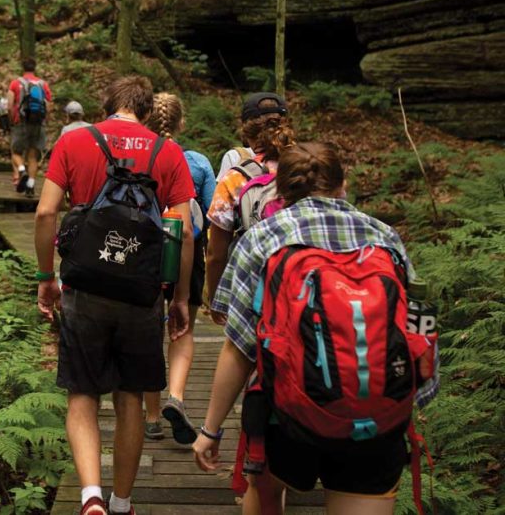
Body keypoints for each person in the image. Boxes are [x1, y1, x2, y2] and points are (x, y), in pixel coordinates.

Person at [193, 142, 438, 515]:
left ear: (280, 191)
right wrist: (412, 401)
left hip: (287, 418)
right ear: (344, 184)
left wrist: (210, 430)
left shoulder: (264, 238)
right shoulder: (384, 237)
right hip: (377, 417)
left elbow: (239, 349)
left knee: (266, 495)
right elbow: (417, 324)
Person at [34, 76, 196, 515]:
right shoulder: (169, 152)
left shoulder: (76, 141)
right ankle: (122, 502)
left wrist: (46, 274)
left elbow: (47, 210)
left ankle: (90, 497)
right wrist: (179, 297)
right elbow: (182, 232)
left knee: (82, 392)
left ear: (106, 104)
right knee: (130, 396)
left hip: (83, 285)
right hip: (142, 293)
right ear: (146, 112)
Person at [143, 93, 216, 444]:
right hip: (188, 252)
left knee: (149, 332)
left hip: (145, 255)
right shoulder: (198, 163)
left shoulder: (140, 157)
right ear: (181, 122)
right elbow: (212, 214)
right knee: (182, 328)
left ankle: (153, 416)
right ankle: (178, 396)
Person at [204, 93, 294, 324]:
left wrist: (216, 300)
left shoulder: (235, 178)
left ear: (246, 131)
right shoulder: (308, 169)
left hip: (253, 289)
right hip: (303, 282)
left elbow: (216, 254)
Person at [8, 59, 53, 197]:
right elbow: (49, 106)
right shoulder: (42, 84)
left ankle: (21, 169)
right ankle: (31, 186)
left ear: (23, 68)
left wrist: (12, 120)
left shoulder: (16, 83)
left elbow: (9, 105)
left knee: (16, 152)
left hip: (21, 123)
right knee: (33, 156)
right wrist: (44, 120)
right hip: (38, 124)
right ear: (35, 68)